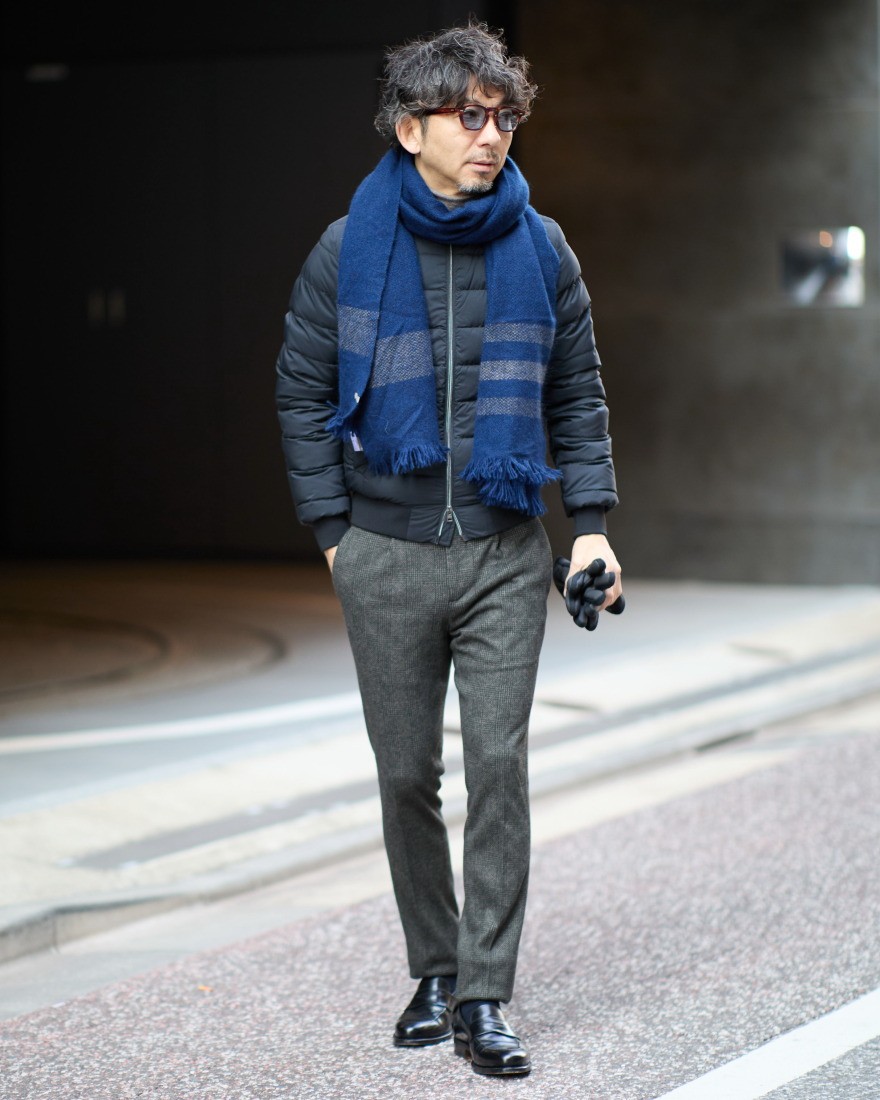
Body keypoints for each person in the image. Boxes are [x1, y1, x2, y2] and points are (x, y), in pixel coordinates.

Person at [275, 20, 621, 1078]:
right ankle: (432, 965)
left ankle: (482, 992)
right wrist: (334, 539)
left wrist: (591, 524)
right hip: (383, 551)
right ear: (409, 126)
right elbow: (301, 393)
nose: (490, 135)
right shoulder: (349, 246)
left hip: (504, 550)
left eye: (503, 117)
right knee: (403, 776)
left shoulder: (541, 247)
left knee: (500, 767)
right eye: (468, 116)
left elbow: (576, 393)